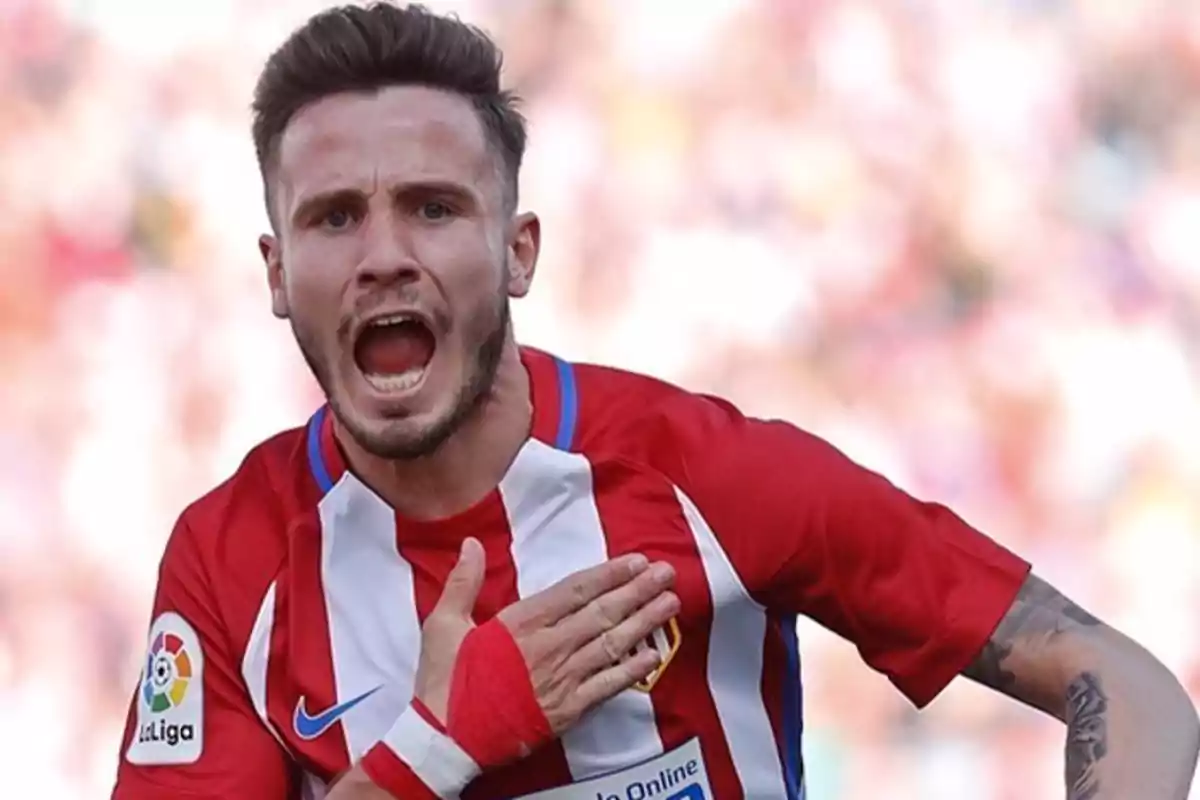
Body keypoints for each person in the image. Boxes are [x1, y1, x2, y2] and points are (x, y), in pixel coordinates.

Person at [110, 3, 1200, 799]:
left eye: (434, 208)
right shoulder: (229, 560)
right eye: (334, 217)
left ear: (517, 250)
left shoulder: (710, 475)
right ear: (272, 269)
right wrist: (438, 745)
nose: (384, 255)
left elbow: (1123, 678)